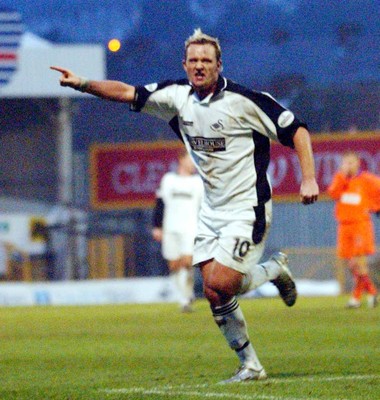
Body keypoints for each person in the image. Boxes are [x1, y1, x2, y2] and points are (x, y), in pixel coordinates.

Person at [51, 28, 319, 383]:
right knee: (212, 289)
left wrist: (309, 177)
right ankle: (251, 365)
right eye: (193, 60)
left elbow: (297, 130)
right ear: (185, 64)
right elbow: (126, 91)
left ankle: (272, 270)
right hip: (212, 210)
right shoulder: (176, 96)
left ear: (219, 65)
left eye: (206, 60)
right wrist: (83, 84)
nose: (199, 66)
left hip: (246, 207)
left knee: (225, 281)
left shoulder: (245, 100)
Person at [152, 149, 203, 313]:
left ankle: (186, 299)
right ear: (181, 160)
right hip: (170, 228)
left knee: (187, 262)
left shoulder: (198, 183)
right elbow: (160, 204)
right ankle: (185, 297)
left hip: (190, 228)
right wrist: (157, 226)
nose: (193, 164)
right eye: (190, 160)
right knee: (174, 265)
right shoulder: (169, 180)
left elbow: (204, 207)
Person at [327, 151, 380, 309]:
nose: (348, 166)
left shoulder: (366, 179)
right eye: (345, 163)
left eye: (351, 162)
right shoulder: (340, 179)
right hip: (344, 226)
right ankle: (371, 291)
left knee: (359, 262)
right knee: (351, 264)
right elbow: (333, 193)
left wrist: (375, 206)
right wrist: (342, 176)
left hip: (360, 225)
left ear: (357, 163)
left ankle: (357, 298)